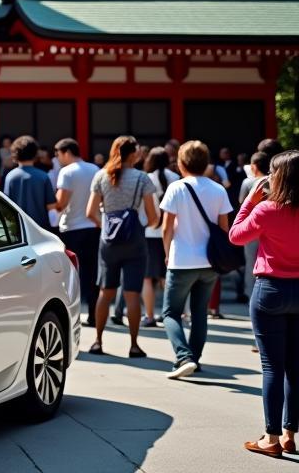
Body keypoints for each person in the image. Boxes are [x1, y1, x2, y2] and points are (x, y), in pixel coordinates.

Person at [229, 150, 299, 457]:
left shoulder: (267, 210)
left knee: (272, 366)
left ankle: (270, 438)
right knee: (296, 367)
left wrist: (249, 202)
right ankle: (289, 433)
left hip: (270, 289)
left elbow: (235, 236)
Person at [158, 141, 233, 379]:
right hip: (210, 261)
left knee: (171, 312)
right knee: (200, 312)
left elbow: (166, 227)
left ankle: (183, 356)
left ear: (181, 162)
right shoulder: (218, 190)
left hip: (182, 260)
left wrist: (167, 253)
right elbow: (224, 228)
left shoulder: (176, 188)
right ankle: (195, 360)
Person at [86, 135, 158, 358]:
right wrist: (143, 224)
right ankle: (134, 345)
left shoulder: (102, 176)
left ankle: (98, 341)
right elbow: (154, 217)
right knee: (132, 294)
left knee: (105, 292)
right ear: (133, 153)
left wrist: (106, 226)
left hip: (108, 242)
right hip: (134, 240)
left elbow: (90, 212)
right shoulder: (142, 178)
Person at [54, 138, 100, 328]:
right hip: (93, 226)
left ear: (66, 152)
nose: (58, 159)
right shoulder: (95, 170)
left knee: (72, 274)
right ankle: (94, 314)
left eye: (58, 154)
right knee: (92, 273)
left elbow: (61, 204)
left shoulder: (66, 172)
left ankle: (74, 316)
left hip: (72, 228)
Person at [141, 147, 179, 326]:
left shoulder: (147, 178)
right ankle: (169, 314)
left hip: (150, 232)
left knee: (147, 277)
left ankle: (149, 316)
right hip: (171, 232)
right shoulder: (175, 178)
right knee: (167, 276)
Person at [3, 136, 57, 231]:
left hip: (19, 229)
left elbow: (6, 207)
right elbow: (51, 207)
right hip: (41, 229)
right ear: (35, 154)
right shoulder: (43, 176)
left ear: (15, 153)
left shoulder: (10, 177)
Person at [239, 151, 271, 299]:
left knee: (251, 263)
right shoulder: (273, 181)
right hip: (270, 227)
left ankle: (251, 295)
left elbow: (242, 202)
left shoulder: (248, 182)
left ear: (254, 166)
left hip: (252, 227)